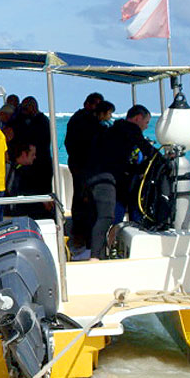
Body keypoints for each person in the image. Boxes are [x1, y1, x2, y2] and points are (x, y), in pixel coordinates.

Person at [85, 104, 157, 259]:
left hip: (93, 175)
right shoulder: (131, 129)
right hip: (104, 177)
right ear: (138, 118)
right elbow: (145, 148)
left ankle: (98, 250)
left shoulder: (115, 128)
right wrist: (162, 160)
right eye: (146, 123)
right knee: (106, 217)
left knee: (101, 216)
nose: (146, 127)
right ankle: (95, 256)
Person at [65, 92, 104, 258]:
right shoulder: (83, 119)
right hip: (81, 165)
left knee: (82, 199)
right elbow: (73, 143)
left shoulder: (82, 118)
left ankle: (80, 233)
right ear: (88, 104)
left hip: (82, 165)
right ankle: (82, 234)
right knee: (83, 199)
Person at [8, 96, 53, 206]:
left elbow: (34, 139)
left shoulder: (42, 122)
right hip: (27, 165)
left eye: (25, 109)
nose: (23, 112)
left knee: (42, 194)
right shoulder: (23, 121)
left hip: (41, 165)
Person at [5, 140, 53, 219]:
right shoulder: (13, 170)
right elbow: (14, 191)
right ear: (24, 154)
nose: (35, 157)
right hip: (15, 207)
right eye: (32, 154)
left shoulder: (20, 169)